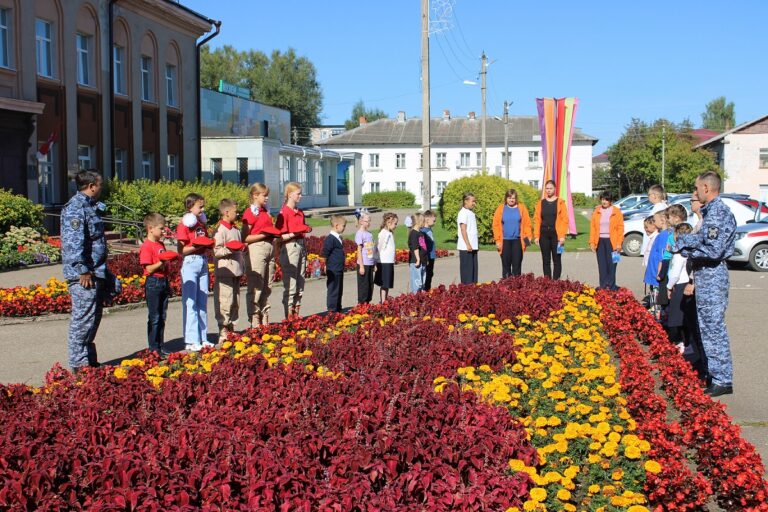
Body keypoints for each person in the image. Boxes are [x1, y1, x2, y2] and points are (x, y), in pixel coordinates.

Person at [672, 172, 736, 397]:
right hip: (705, 276)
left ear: (707, 188)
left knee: (714, 329)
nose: (695, 192)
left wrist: (685, 248)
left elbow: (714, 250)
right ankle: (713, 374)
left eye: (697, 188)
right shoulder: (710, 213)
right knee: (706, 329)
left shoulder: (718, 213)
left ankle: (722, 379)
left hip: (712, 276)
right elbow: (702, 239)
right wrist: (684, 241)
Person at [61, 170, 107, 372]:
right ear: (91, 186)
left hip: (95, 271)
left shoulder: (90, 206)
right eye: (99, 184)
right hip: (83, 275)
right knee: (82, 320)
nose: (101, 187)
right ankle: (79, 364)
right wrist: (82, 270)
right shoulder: (75, 208)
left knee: (92, 318)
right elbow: (73, 244)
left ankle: (89, 360)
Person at [177, 192, 211, 351]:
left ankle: (203, 337)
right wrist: (197, 246)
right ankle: (191, 340)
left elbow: (205, 240)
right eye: (200, 206)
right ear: (190, 207)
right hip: (191, 262)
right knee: (190, 303)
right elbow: (182, 250)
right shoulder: (185, 224)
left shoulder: (201, 224)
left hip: (203, 260)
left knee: (202, 300)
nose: (203, 209)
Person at [241, 183, 276, 327]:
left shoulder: (265, 212)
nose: (267, 198)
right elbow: (245, 238)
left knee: (268, 284)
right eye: (264, 195)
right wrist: (263, 235)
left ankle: (264, 314)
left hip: (269, 248)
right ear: (255, 195)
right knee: (256, 285)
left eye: (267, 195)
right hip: (256, 249)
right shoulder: (250, 213)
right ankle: (254, 317)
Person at [275, 182, 310, 318]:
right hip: (290, 246)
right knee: (291, 284)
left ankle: (296, 314)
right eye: (298, 194)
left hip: (301, 245)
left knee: (300, 282)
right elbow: (278, 237)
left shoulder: (299, 212)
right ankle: (289, 316)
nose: (300, 196)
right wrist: (294, 233)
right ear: (289, 194)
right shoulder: (284, 213)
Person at [139, 213, 172, 356]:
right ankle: (153, 348)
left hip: (163, 280)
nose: (163, 231)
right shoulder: (147, 246)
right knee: (155, 317)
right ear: (150, 228)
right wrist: (162, 262)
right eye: (160, 228)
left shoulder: (160, 244)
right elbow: (148, 269)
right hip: (153, 282)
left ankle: (160, 345)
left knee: (162, 316)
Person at [213, 199, 245, 343]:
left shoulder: (235, 228)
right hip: (225, 270)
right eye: (234, 211)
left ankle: (232, 327)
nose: (237, 214)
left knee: (235, 301)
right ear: (226, 212)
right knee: (225, 300)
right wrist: (229, 249)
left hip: (236, 270)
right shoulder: (220, 229)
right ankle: (223, 329)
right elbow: (216, 251)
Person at [492, 188, 532, 278]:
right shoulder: (501, 209)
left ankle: (516, 288)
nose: (511, 200)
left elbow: (527, 224)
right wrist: (497, 241)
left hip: (517, 241)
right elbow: (496, 226)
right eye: (509, 198)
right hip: (504, 241)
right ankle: (506, 288)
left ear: (516, 198)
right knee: (506, 267)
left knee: (517, 266)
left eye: (513, 198)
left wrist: (528, 238)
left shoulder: (521, 208)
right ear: (506, 198)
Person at [533, 180, 568, 280]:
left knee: (557, 260)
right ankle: (547, 283)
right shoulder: (541, 203)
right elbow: (537, 220)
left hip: (556, 235)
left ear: (555, 189)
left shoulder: (560, 202)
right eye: (547, 188)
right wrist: (536, 235)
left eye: (550, 188)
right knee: (546, 260)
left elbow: (565, 220)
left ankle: (556, 282)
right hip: (544, 234)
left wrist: (562, 236)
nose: (548, 190)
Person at [666, 222, 693, 353]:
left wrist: (669, 286)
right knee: (686, 314)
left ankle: (678, 341)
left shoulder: (678, 256)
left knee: (676, 314)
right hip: (688, 283)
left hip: (679, 284)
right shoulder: (689, 253)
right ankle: (687, 342)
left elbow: (675, 274)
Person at [589, 191, 624, 290]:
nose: (604, 201)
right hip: (600, 241)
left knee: (612, 265)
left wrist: (619, 243)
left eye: (607, 199)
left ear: (610, 201)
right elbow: (593, 228)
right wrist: (592, 242)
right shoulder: (596, 211)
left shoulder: (616, 212)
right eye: (603, 199)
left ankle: (612, 287)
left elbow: (620, 229)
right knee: (602, 266)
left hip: (612, 242)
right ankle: (603, 287)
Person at [644, 211, 670, 321]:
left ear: (663, 220)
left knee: (657, 300)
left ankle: (658, 321)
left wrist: (659, 272)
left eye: (655, 220)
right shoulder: (661, 234)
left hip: (657, 274)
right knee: (654, 298)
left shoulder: (664, 235)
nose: (653, 223)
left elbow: (662, 256)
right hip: (654, 271)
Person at [322, 215, 347, 312]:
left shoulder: (338, 237)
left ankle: (338, 308)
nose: (344, 228)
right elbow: (325, 253)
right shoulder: (330, 238)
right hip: (333, 268)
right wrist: (324, 265)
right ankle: (332, 310)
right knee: (333, 289)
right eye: (343, 226)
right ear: (336, 225)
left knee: (339, 289)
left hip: (339, 268)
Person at [374, 213, 398, 302]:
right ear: (389, 222)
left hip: (389, 261)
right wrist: (376, 261)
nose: (396, 226)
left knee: (387, 283)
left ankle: (385, 300)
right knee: (384, 284)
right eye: (395, 223)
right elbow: (379, 248)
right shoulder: (384, 233)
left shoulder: (389, 233)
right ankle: (383, 301)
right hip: (384, 262)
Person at [457, 193, 479, 284]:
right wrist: (468, 244)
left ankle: (473, 289)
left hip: (473, 246)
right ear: (466, 201)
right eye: (472, 201)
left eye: (475, 201)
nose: (474, 203)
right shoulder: (463, 213)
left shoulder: (470, 213)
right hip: (466, 247)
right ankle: (467, 289)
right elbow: (463, 229)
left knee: (473, 271)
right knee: (467, 272)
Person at [354, 211, 375, 304]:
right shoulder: (360, 233)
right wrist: (361, 266)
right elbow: (359, 250)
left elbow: (371, 249)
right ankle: (362, 303)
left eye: (369, 221)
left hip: (370, 263)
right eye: (367, 221)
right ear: (361, 222)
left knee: (370, 285)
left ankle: (368, 302)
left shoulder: (369, 234)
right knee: (364, 285)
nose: (368, 223)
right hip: (364, 263)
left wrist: (374, 263)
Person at [408, 212, 428, 293]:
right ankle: (416, 296)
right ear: (419, 222)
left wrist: (426, 259)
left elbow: (424, 247)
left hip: (423, 260)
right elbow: (415, 248)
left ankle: (421, 295)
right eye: (423, 221)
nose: (424, 223)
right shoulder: (413, 233)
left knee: (422, 280)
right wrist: (418, 259)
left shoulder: (420, 233)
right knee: (417, 281)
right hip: (416, 261)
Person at [421, 210, 438, 291]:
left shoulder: (429, 230)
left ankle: (428, 289)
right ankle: (425, 289)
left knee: (430, 273)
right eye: (433, 221)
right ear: (427, 220)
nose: (435, 222)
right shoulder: (423, 231)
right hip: (428, 256)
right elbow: (424, 246)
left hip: (431, 256)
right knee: (427, 273)